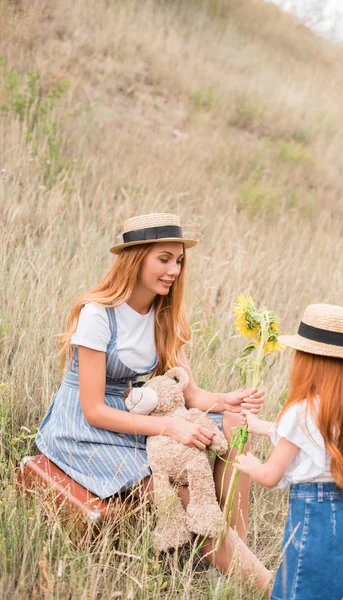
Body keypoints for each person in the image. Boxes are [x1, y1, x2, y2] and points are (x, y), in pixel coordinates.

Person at [35, 212, 272, 592]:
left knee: (234, 422)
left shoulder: (165, 314)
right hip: (84, 427)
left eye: (178, 260)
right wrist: (168, 426)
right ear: (137, 258)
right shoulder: (98, 314)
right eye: (164, 259)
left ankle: (232, 556)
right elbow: (93, 409)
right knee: (185, 494)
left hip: (136, 412)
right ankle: (271, 588)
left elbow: (192, 394)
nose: (174, 270)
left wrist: (226, 400)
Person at [236, 303, 343, 600]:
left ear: (310, 362)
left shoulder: (301, 411)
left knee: (299, 591)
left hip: (312, 519)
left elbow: (269, 476)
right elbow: (315, 437)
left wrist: (248, 463)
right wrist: (259, 425)